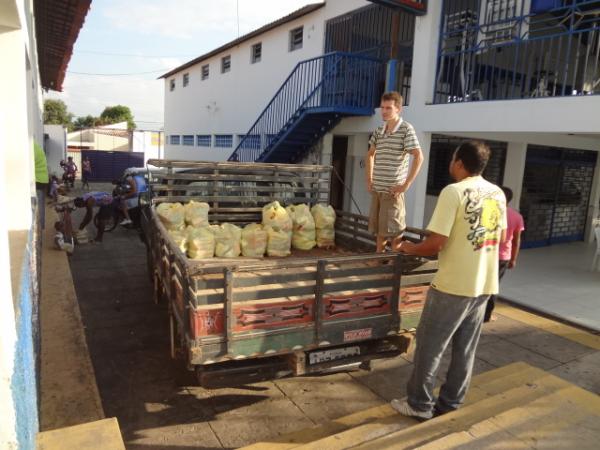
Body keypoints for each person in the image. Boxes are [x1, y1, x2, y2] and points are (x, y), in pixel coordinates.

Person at [392, 140, 507, 420]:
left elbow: (436, 244)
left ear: (458, 162)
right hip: (484, 286)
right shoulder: (497, 194)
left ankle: (419, 404)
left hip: (453, 286)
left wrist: (408, 247)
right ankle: (451, 402)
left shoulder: (453, 192)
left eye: (452, 158)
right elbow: (498, 237)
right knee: (465, 350)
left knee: (430, 347)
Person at [366, 91, 423, 253]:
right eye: (382, 108)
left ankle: (392, 266)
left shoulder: (406, 129)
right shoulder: (379, 130)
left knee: (395, 229)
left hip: (393, 192)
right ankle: (378, 261)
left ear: (398, 109)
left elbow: (419, 156)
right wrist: (369, 180)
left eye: (388, 108)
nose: (384, 111)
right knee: (380, 229)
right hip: (378, 190)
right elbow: (370, 154)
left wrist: (405, 185)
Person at [484, 186, 525, 322]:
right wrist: (514, 259)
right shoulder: (517, 217)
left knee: (481, 283)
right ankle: (487, 315)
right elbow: (516, 241)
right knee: (494, 285)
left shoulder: (489, 212)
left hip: (486, 253)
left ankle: (474, 313)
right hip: (502, 257)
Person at [33, 142, 49, 229]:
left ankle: (39, 229)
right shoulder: (35, 146)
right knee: (41, 206)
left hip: (38, 180)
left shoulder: (30, 148)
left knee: (37, 209)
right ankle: (41, 227)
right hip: (42, 180)